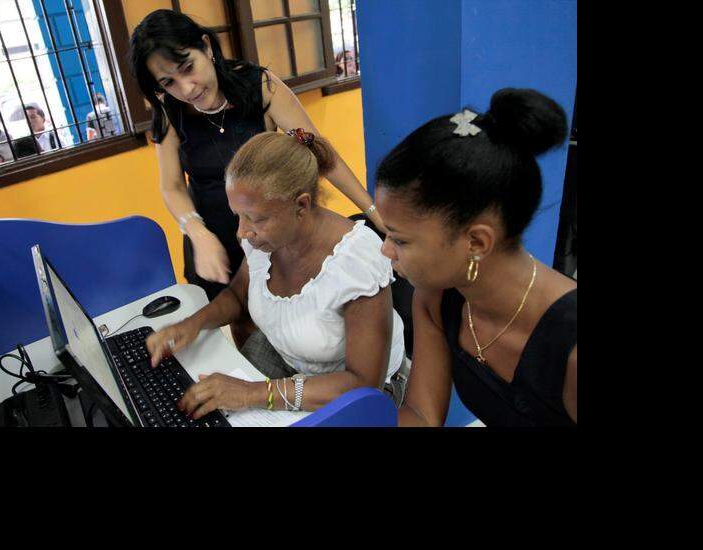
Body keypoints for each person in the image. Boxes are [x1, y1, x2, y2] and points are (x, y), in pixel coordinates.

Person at [128, 10, 385, 351]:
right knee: (243, 329)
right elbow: (172, 186)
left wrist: (372, 211)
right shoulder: (167, 111)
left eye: (187, 68)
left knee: (297, 332)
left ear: (206, 47)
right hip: (212, 239)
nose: (185, 88)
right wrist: (197, 233)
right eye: (168, 83)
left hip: (268, 233)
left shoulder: (259, 86)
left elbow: (318, 152)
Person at [143, 130, 406, 419]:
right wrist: (192, 324)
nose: (241, 232)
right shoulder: (262, 240)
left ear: (301, 205)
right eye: (238, 216)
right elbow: (237, 295)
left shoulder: (356, 262)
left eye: (256, 219)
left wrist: (250, 393)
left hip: (357, 390)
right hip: (293, 360)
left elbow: (362, 384)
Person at [375, 88, 577, 428]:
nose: (385, 249)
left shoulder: (569, 350)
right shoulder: (436, 298)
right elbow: (422, 415)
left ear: (477, 241)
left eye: (399, 239)